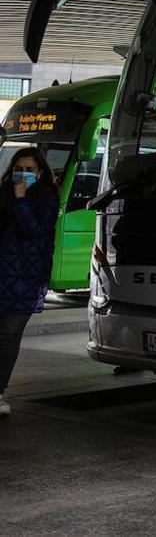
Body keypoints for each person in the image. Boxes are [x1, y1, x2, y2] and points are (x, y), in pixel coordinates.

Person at [0, 148, 59, 417]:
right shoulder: (3, 194)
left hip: (25, 277)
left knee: (9, 336)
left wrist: (21, 200)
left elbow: (33, 231)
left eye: (29, 170)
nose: (23, 174)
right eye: (18, 169)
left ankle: (0, 391)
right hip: (3, 273)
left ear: (41, 173)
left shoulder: (46, 198)